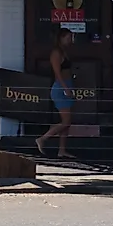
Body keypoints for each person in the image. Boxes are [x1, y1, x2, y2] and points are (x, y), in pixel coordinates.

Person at [38, 29, 81, 157]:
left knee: (66, 122)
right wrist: (65, 88)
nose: (70, 40)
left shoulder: (64, 51)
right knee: (66, 121)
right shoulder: (56, 53)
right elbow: (57, 73)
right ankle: (43, 138)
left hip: (68, 84)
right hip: (60, 87)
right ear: (61, 38)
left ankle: (62, 150)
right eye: (68, 38)